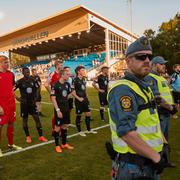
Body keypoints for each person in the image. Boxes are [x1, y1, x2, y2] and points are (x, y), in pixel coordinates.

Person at [108, 37, 166, 180]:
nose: (147, 60)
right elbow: (126, 133)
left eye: (149, 56)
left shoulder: (143, 86)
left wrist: (163, 144)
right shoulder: (123, 90)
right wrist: (156, 157)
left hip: (147, 161)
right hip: (134, 167)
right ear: (128, 61)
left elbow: (151, 119)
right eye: (141, 56)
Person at [145, 56, 177, 141]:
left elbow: (166, 94)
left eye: (164, 64)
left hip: (166, 112)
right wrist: (170, 108)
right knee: (159, 140)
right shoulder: (150, 77)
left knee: (164, 139)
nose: (164, 66)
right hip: (160, 113)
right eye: (161, 64)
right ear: (154, 65)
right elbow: (157, 98)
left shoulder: (160, 77)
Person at [14, 67, 48, 143]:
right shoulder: (19, 82)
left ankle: (41, 136)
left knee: (37, 119)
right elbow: (11, 90)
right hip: (24, 104)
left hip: (32, 103)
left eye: (28, 72)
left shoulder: (33, 80)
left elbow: (37, 88)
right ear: (22, 73)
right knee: (25, 120)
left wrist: (36, 98)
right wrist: (17, 98)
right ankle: (28, 137)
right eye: (26, 72)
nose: (28, 73)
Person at [0, 55, 22, 158]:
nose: (7, 64)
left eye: (8, 62)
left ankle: (10, 144)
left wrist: (16, 97)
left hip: (11, 104)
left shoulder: (11, 74)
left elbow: (11, 88)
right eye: (5, 62)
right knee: (0, 126)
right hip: (1, 105)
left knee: (11, 123)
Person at [51, 69, 74, 153]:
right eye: (67, 74)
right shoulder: (55, 85)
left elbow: (66, 96)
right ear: (62, 75)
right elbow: (53, 98)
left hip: (66, 108)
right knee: (57, 128)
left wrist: (71, 94)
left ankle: (64, 144)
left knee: (65, 126)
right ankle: (57, 145)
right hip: (59, 109)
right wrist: (57, 110)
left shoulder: (67, 84)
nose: (69, 76)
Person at [73, 66, 97, 136]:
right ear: (78, 72)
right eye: (82, 70)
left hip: (85, 99)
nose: (84, 71)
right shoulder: (75, 80)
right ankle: (80, 131)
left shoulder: (83, 79)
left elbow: (84, 89)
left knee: (88, 114)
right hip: (78, 100)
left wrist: (87, 97)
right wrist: (78, 98)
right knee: (79, 115)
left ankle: (89, 129)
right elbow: (72, 91)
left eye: (84, 70)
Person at [44, 59, 63, 135]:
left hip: (62, 97)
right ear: (57, 65)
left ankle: (58, 128)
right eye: (61, 65)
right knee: (57, 113)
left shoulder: (61, 74)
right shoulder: (53, 73)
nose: (62, 66)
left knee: (60, 113)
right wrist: (51, 93)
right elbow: (46, 84)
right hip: (56, 97)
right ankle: (55, 129)